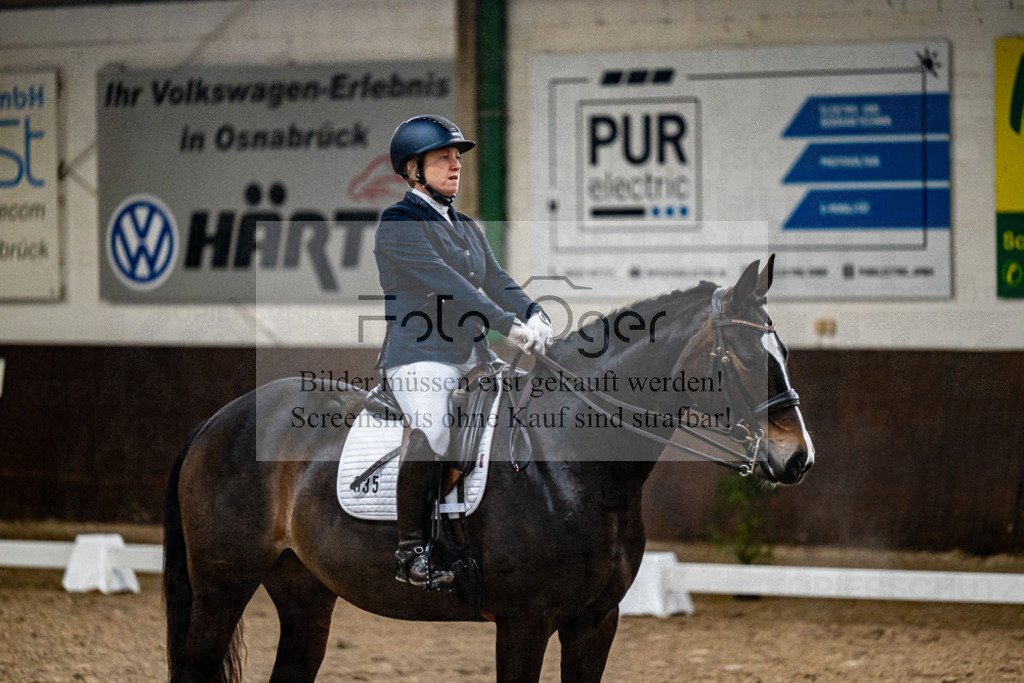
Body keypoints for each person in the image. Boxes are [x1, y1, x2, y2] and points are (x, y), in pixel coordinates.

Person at [374, 114, 554, 588]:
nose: (456, 165)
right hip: (420, 355)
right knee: (434, 430)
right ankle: (411, 551)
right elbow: (449, 286)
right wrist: (509, 326)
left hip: (473, 356)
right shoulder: (398, 224)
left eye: (457, 157)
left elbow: (496, 279)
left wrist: (534, 311)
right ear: (413, 169)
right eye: (443, 157)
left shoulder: (467, 226)